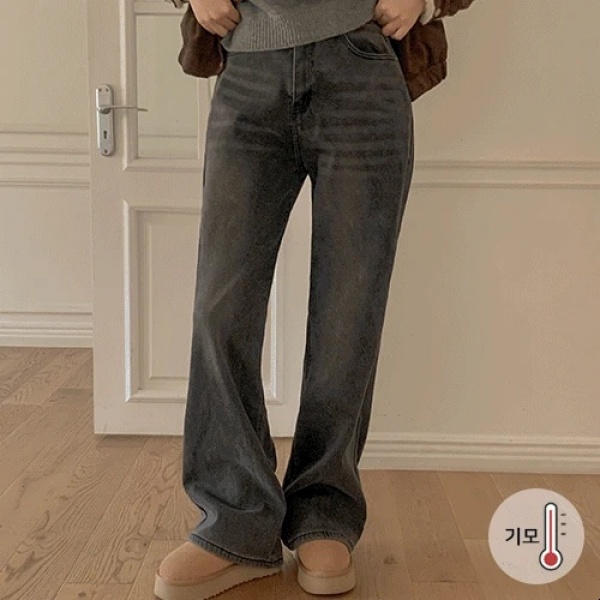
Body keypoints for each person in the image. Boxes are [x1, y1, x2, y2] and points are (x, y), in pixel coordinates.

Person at [154, 0, 431, 598]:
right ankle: (235, 519)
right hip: (249, 65)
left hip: (361, 65)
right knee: (221, 309)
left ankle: (324, 513)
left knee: (349, 312)